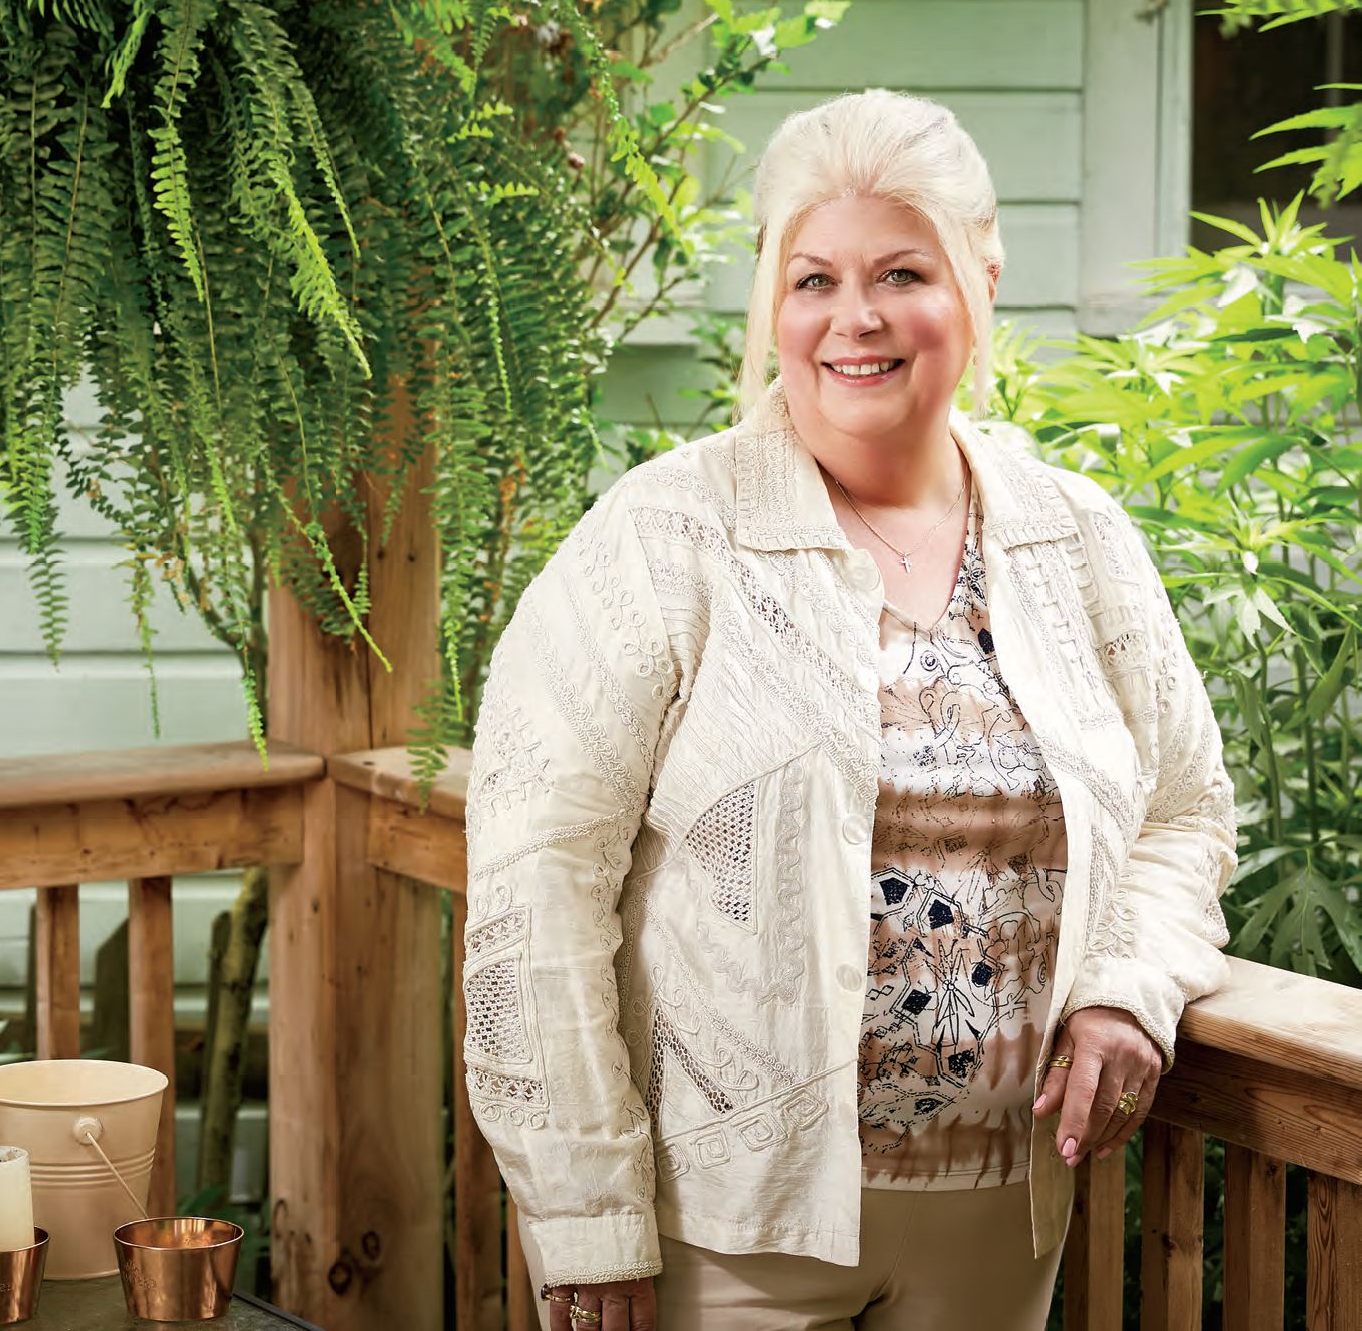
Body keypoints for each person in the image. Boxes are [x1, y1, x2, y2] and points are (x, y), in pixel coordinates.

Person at [461, 89, 1236, 1331]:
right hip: (726, 1232)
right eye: (812, 276)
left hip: (999, 1225)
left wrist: (1125, 984)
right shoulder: (664, 542)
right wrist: (585, 1216)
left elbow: (1186, 807)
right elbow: (534, 887)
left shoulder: (1075, 537)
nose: (854, 317)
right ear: (772, 300)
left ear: (980, 281)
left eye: (902, 271)